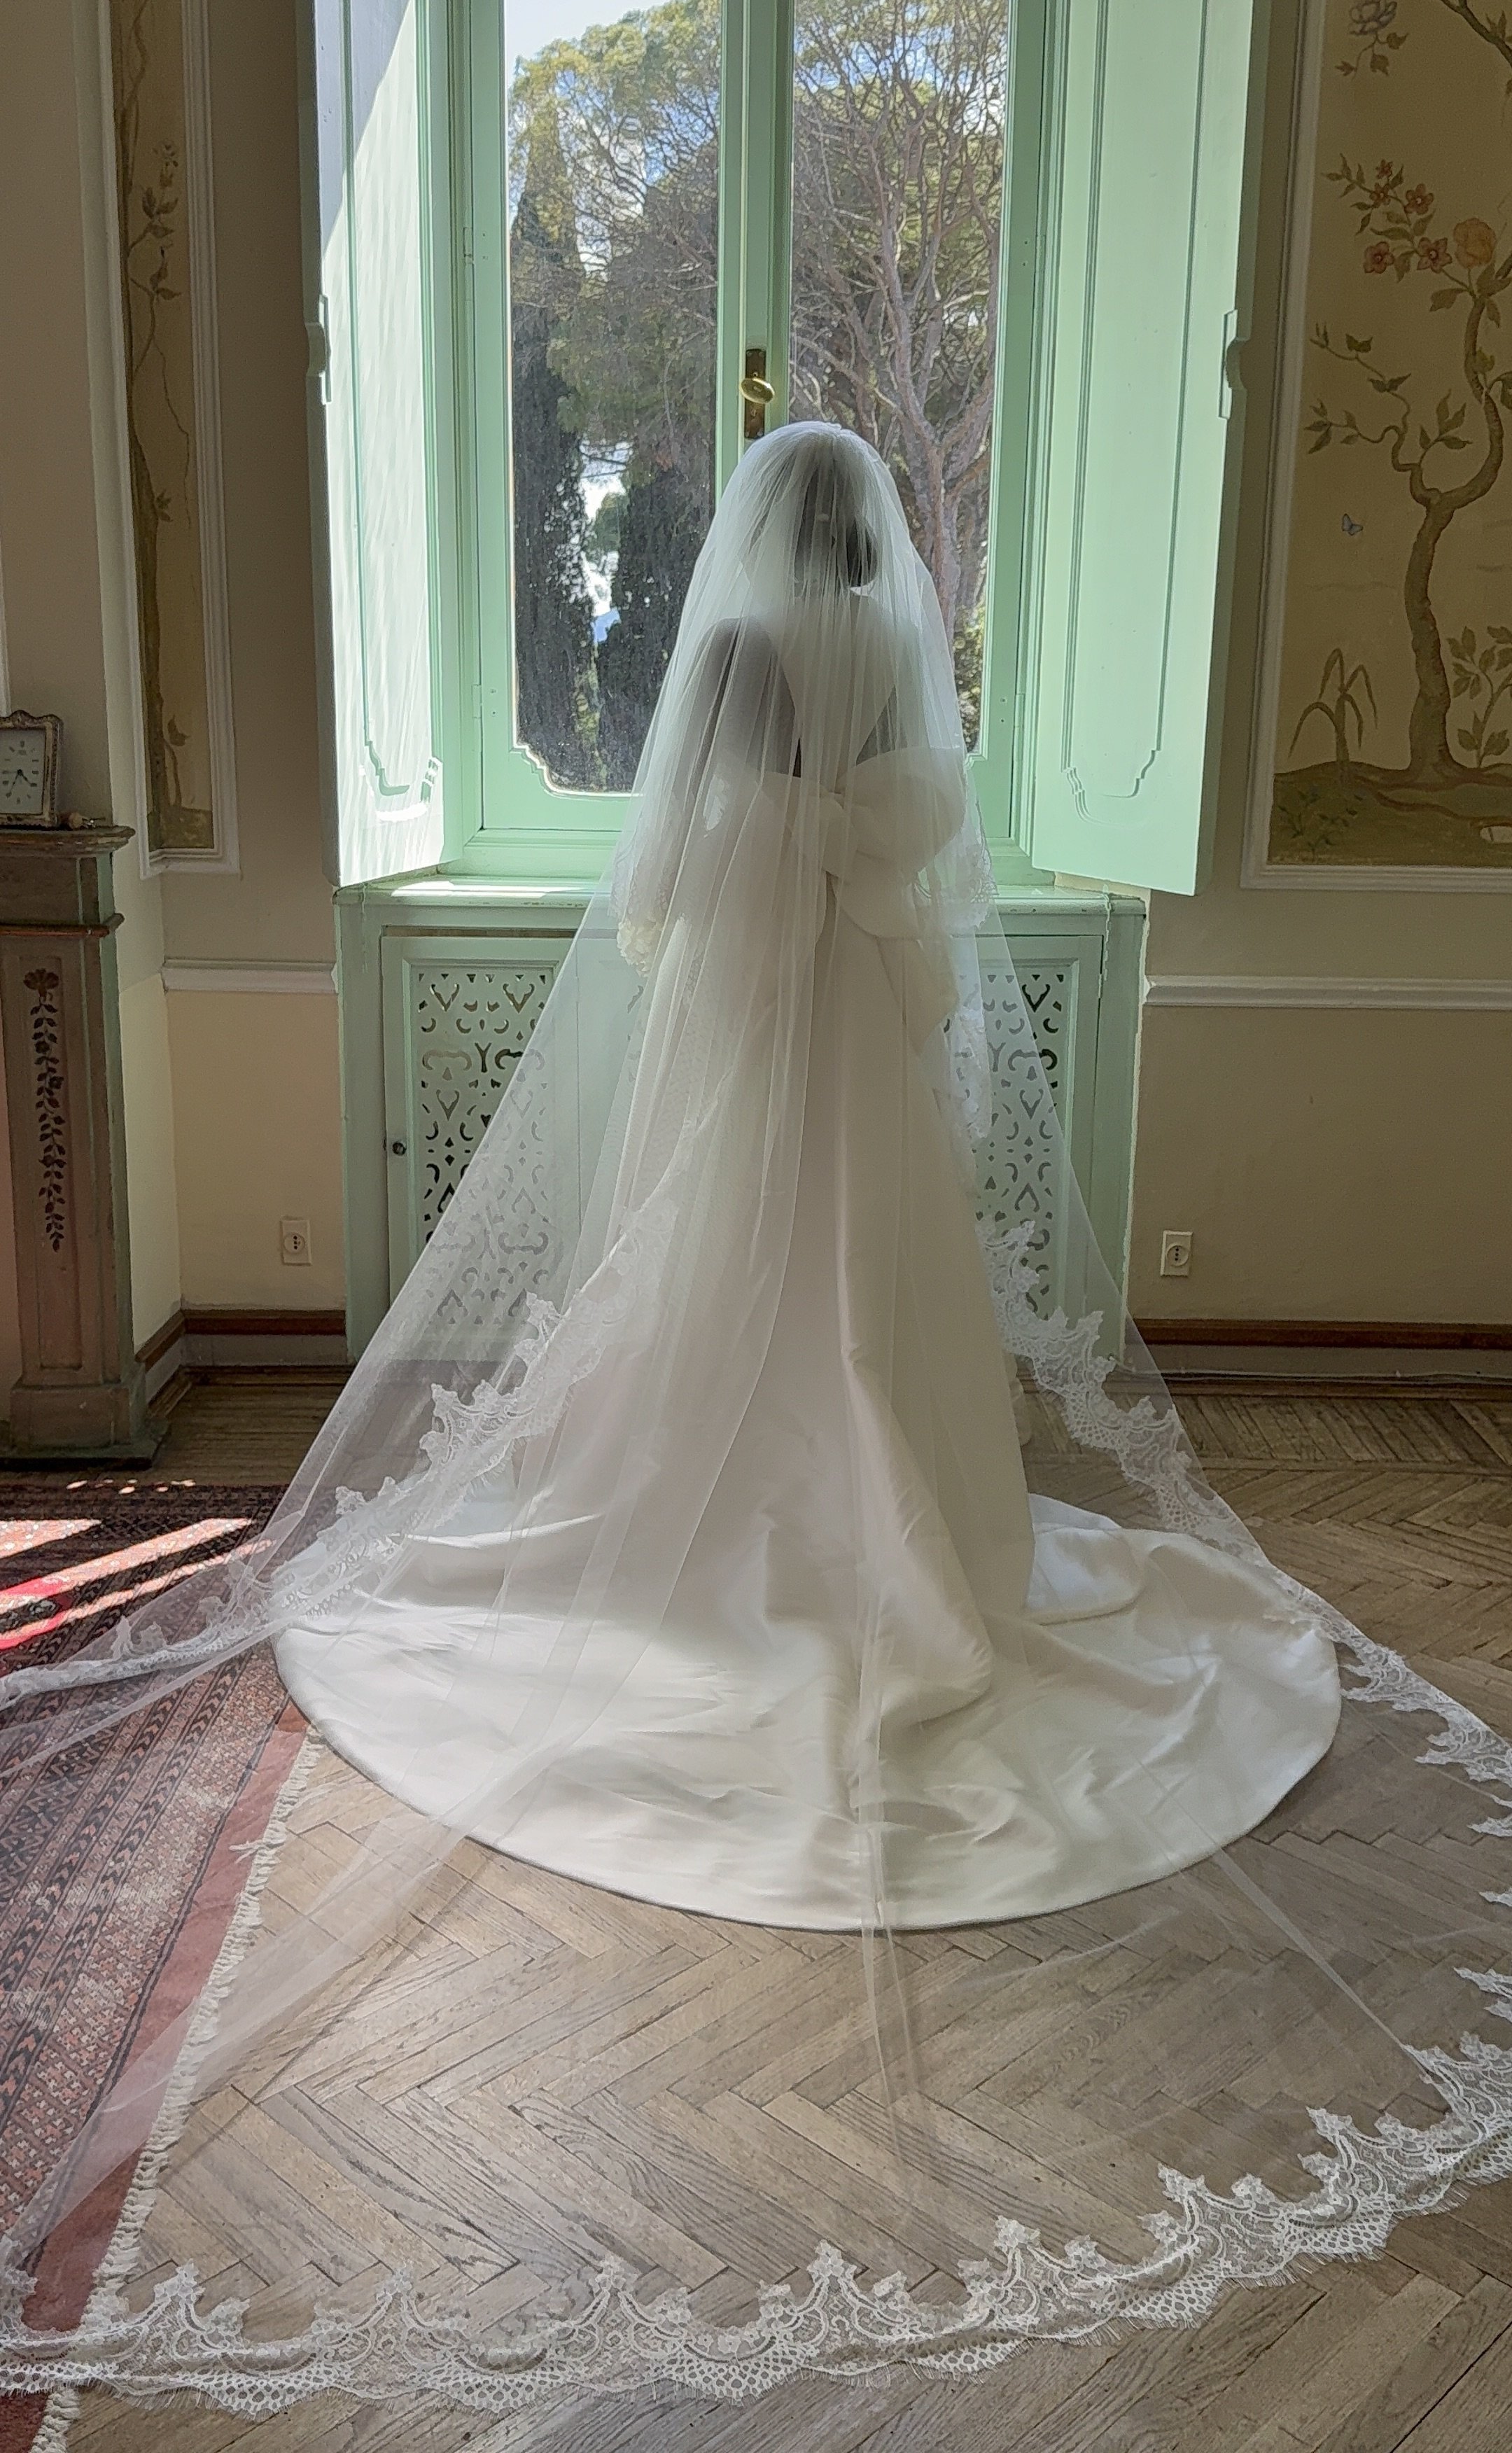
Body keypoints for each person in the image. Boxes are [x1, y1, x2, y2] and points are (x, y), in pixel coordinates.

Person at [0, 425, 1507, 2433]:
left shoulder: (734, 658)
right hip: (856, 1036)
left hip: (755, 1021)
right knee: (874, 1303)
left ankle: (695, 1529)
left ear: (752, 537)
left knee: (718, 1279)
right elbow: (925, 870)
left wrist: (714, 916)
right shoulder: (892, 651)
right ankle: (919, 1549)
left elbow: (671, 884)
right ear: (866, 533)